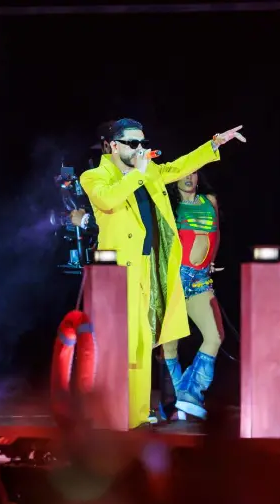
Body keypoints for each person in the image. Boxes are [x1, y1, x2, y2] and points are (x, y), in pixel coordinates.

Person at [79, 118, 245, 429]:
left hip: (149, 266)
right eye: (132, 143)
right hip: (116, 273)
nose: (140, 148)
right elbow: (108, 199)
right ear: (114, 145)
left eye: (142, 142)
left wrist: (214, 145)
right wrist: (137, 174)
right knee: (123, 343)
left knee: (144, 341)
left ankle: (139, 413)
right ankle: (114, 413)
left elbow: (177, 168)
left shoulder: (150, 171)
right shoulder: (95, 176)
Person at [159, 170, 224, 420]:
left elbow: (215, 235)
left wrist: (211, 260)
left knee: (215, 336)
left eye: (194, 173)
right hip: (175, 279)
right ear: (175, 179)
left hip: (199, 280)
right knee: (169, 346)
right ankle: (177, 405)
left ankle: (188, 394)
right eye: (184, 174)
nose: (189, 178)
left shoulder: (210, 201)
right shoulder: (169, 206)